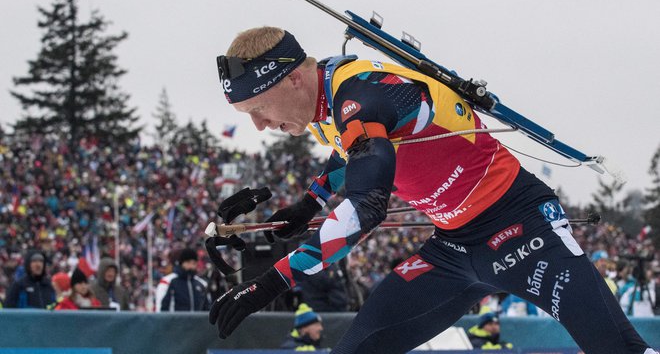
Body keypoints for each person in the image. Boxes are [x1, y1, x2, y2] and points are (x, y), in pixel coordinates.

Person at [208, 26, 658, 354]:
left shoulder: (360, 98)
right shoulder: (324, 102)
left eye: (259, 109)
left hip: (521, 228)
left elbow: (366, 208)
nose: (260, 126)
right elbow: (348, 152)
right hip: (453, 251)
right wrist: (311, 202)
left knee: (618, 349)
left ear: (293, 80)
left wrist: (272, 282)